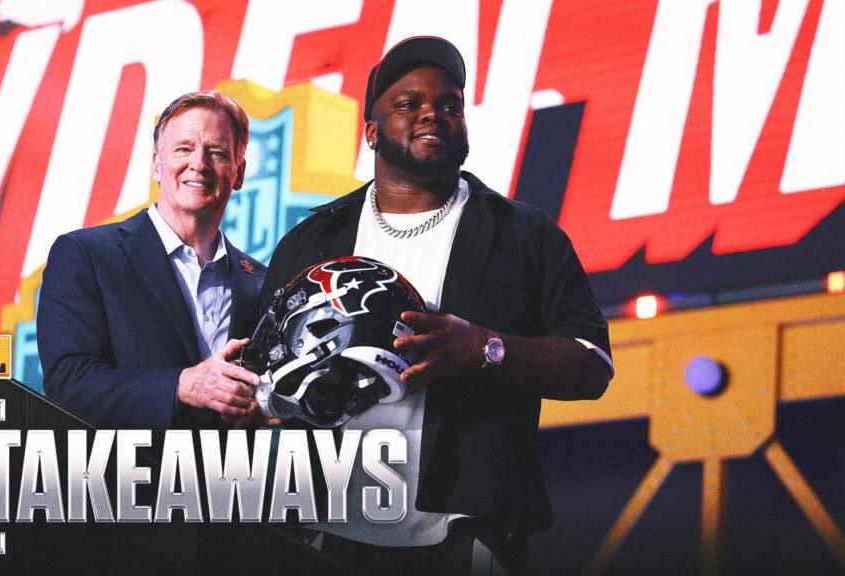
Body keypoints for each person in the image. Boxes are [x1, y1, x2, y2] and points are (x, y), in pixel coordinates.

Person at [259, 37, 615, 574]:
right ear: (372, 130)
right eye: (409, 104)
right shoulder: (311, 242)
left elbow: (592, 366)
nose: (433, 114)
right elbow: (262, 377)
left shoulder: (526, 235)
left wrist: (485, 349)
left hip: (463, 535)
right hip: (320, 530)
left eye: (450, 105)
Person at [38, 91, 271, 431]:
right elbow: (68, 385)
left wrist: (258, 404)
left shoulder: (259, 282)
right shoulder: (85, 256)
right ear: (156, 165)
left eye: (218, 153)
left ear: (239, 173)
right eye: (183, 149)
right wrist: (183, 385)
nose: (199, 164)